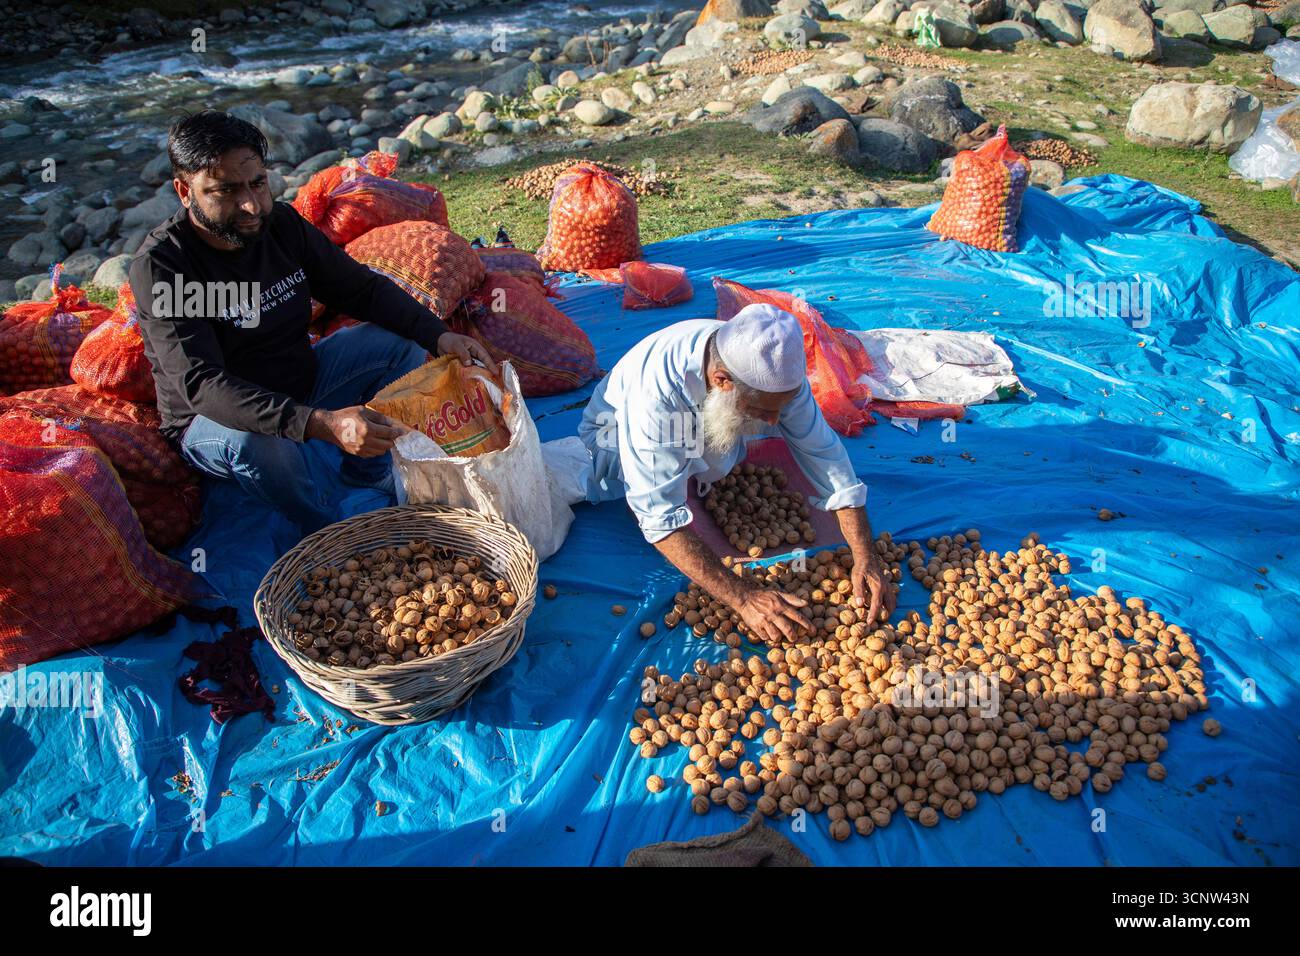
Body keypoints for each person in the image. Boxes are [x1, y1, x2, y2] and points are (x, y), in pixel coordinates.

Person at [130, 110, 495, 533]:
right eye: (225, 191)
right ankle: (325, 528)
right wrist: (320, 424)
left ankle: (367, 470)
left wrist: (440, 335)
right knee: (262, 445)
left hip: (301, 381)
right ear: (184, 191)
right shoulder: (164, 266)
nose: (250, 205)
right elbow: (202, 386)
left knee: (399, 347)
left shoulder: (279, 223)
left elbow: (360, 289)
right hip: (212, 420)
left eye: (257, 184)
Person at [578, 304, 896, 645]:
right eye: (762, 409)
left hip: (697, 419)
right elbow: (661, 518)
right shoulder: (657, 398)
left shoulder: (772, 371)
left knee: (723, 447)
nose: (772, 422)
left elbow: (823, 454)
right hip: (610, 436)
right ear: (722, 381)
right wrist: (742, 597)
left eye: (780, 409)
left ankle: (690, 471)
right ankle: (658, 480)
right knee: (652, 489)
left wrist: (866, 555)